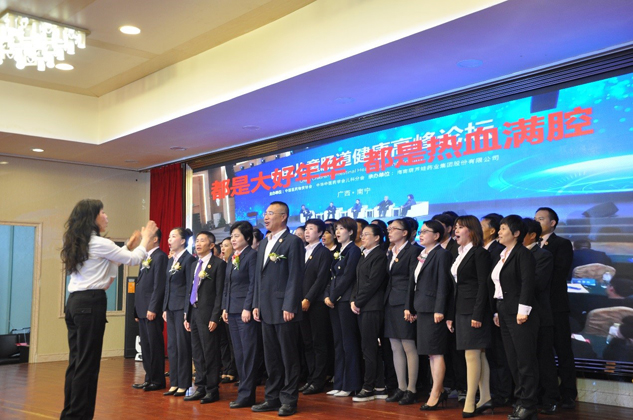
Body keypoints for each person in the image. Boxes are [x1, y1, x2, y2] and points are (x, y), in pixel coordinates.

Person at [60, 199, 157, 420]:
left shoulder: (79, 242)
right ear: (92, 217)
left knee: (77, 363)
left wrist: (128, 246)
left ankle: (71, 413)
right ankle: (78, 416)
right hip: (90, 304)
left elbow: (112, 260)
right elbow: (133, 260)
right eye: (102, 212)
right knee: (87, 365)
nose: (106, 216)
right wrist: (146, 238)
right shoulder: (98, 242)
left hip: (75, 303)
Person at [252, 201, 305, 416]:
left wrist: (290, 305)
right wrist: (256, 303)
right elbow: (259, 277)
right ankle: (272, 398)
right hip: (266, 308)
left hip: (284, 308)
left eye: (270, 213)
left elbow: (295, 275)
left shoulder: (293, 242)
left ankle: (289, 400)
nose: (266, 217)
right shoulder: (265, 242)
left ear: (283, 217)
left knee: (288, 357)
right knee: (271, 357)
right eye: (265, 213)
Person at [492, 215, 539, 420]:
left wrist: (523, 310)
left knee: (525, 360)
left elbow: (528, 284)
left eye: (503, 228)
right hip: (504, 310)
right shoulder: (503, 254)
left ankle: (528, 404)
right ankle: (520, 401)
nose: (499, 232)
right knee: (513, 359)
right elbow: (499, 286)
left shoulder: (523, 254)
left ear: (516, 233)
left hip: (520, 313)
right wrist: (497, 311)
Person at [447, 215, 493, 418]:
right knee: (478, 354)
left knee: (472, 354)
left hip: (474, 310)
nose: (456, 230)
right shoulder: (460, 253)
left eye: (460, 227)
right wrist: (451, 314)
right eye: (455, 227)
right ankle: (485, 397)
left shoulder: (479, 253)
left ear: (472, 231)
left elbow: (483, 285)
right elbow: (456, 288)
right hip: (461, 309)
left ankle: (470, 401)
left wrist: (478, 313)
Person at [405, 220, 452, 411]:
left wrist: (439, 309)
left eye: (425, 231)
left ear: (437, 235)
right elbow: (413, 282)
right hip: (422, 307)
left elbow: (443, 284)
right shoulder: (422, 253)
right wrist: (409, 307)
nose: (421, 235)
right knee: (430, 353)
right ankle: (437, 390)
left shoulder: (442, 254)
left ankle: (436, 392)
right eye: (420, 231)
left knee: (436, 351)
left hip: (434, 310)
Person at [535, 207, 577, 409]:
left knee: (563, 350)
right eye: (535, 219)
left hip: (556, 305)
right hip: (537, 307)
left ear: (552, 223)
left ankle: (568, 393)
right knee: (542, 352)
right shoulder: (530, 245)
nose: (537, 222)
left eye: (541, 219)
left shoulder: (562, 244)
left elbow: (560, 273)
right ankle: (545, 393)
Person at [221, 221, 262, 408]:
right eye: (231, 236)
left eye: (236, 236)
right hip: (232, 310)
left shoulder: (252, 255)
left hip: (244, 312)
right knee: (238, 353)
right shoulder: (232, 257)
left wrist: (248, 307)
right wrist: (225, 308)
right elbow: (227, 285)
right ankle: (243, 393)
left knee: (248, 353)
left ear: (247, 237)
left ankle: (247, 395)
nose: (233, 239)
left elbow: (254, 284)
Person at [523, 218, 561, 415]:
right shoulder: (511, 254)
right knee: (527, 360)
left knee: (544, 359)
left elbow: (537, 284)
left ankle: (550, 399)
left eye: (521, 232)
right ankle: (530, 398)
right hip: (518, 315)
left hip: (539, 314)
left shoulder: (543, 255)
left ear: (532, 235)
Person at [184, 231, 226, 404]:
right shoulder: (194, 264)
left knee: (210, 353)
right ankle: (200, 387)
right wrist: (187, 315)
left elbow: (219, 293)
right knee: (197, 352)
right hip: (193, 313)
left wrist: (215, 317)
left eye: (202, 241)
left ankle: (212, 389)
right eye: (197, 241)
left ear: (211, 245)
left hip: (208, 315)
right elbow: (190, 290)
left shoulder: (218, 264)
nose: (198, 244)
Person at [350, 224, 390, 402]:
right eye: (362, 234)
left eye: (366, 234)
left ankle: (369, 387)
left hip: (372, 306)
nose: (363, 237)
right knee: (369, 347)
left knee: (370, 347)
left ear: (377, 238)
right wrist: (353, 299)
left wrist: (358, 301)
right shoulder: (364, 254)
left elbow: (373, 283)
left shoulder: (379, 255)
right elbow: (357, 281)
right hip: (362, 306)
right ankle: (379, 385)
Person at [324, 216, 362, 398]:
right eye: (336, 229)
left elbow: (347, 277)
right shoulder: (339, 250)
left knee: (348, 343)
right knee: (338, 343)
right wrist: (327, 295)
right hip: (334, 301)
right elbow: (331, 276)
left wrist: (333, 296)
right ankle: (339, 382)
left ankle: (350, 384)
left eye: (341, 229)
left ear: (351, 232)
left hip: (345, 301)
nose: (337, 232)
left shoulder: (354, 251)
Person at [384, 219, 420, 405]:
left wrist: (409, 306)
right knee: (395, 346)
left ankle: (412, 389)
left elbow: (413, 281)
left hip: (404, 303)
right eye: (388, 229)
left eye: (393, 229)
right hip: (391, 302)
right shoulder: (391, 251)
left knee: (408, 345)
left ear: (405, 232)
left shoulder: (413, 251)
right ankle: (401, 387)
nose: (389, 232)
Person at [299, 219, 334, 395]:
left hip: (317, 303)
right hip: (300, 303)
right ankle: (311, 378)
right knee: (307, 342)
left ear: (320, 233)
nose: (307, 232)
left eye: (311, 229)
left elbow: (321, 279)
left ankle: (319, 380)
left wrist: (308, 298)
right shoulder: (301, 251)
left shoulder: (324, 252)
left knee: (319, 341)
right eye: (306, 229)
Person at [480, 214, 512, 407]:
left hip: (496, 309)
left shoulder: (497, 251)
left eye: (482, 226)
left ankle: (503, 393)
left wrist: (494, 311)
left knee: (500, 354)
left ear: (492, 231)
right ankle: (493, 392)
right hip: (485, 310)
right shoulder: (482, 249)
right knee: (490, 353)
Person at [132, 228, 168, 392]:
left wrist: (153, 308)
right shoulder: (145, 257)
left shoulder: (160, 257)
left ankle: (158, 380)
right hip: (142, 309)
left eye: (147, 238)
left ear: (155, 239)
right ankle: (149, 378)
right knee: (145, 345)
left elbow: (159, 285)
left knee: (154, 345)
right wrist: (136, 310)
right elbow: (140, 285)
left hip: (151, 309)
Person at [162, 227, 196, 398]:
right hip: (171, 307)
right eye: (169, 237)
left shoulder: (189, 259)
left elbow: (190, 286)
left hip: (182, 308)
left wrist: (186, 311)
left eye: (173, 236)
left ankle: (184, 383)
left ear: (183, 241)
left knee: (182, 346)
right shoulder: (171, 260)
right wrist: (164, 307)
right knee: (172, 346)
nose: (169, 240)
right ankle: (174, 382)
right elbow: (167, 286)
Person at [219, 236, 238, 383]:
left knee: (232, 341)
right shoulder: (221, 264)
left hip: (232, 306)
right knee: (223, 340)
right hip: (221, 307)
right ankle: (226, 367)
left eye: (226, 245)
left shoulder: (234, 263)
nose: (223, 249)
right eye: (222, 246)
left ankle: (233, 370)